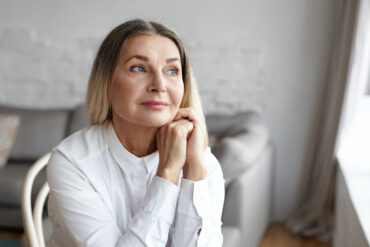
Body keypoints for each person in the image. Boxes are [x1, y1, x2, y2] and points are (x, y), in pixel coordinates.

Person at [46, 19, 225, 247]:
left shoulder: (204, 164)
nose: (159, 85)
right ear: (107, 81)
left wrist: (195, 173)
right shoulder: (72, 162)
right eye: (139, 68)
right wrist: (168, 172)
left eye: (172, 70)